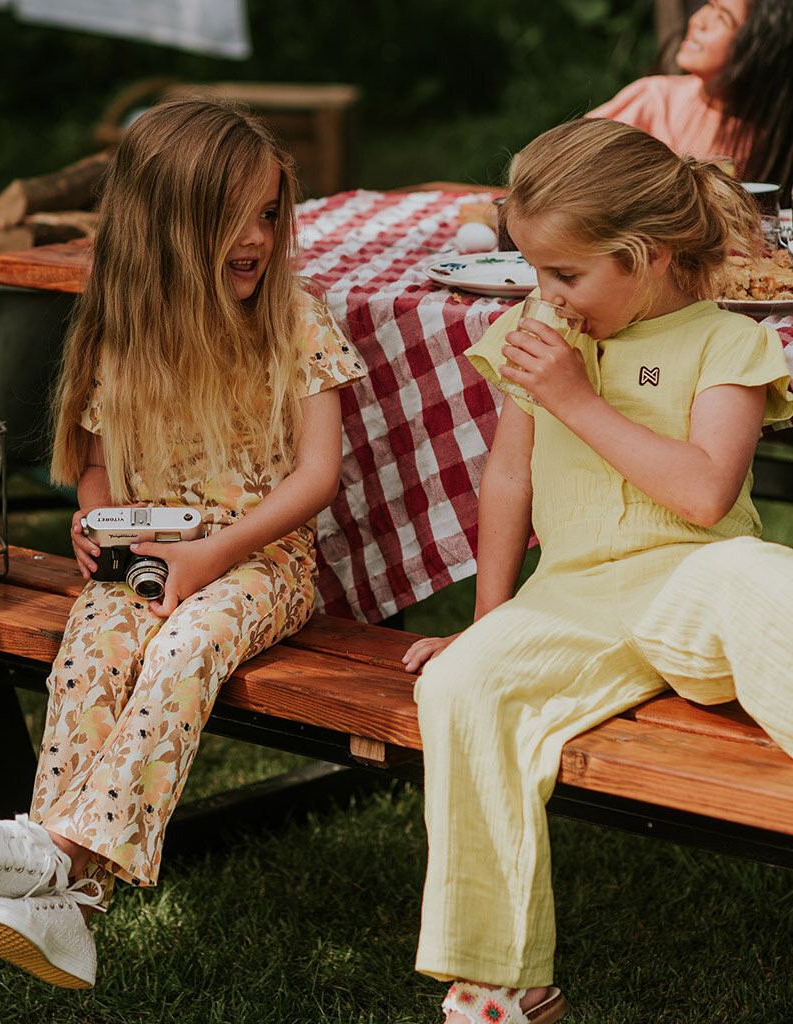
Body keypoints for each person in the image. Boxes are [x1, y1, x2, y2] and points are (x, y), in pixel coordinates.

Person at [0, 97, 364, 989]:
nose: (256, 236)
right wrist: (96, 522)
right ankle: (72, 908)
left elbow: (316, 478)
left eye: (269, 213)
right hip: (153, 545)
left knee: (186, 643)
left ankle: (51, 852)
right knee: (95, 642)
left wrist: (212, 557)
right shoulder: (123, 328)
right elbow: (94, 467)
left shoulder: (296, 318)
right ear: (166, 225)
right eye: (231, 216)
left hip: (263, 561)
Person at [402, 117, 793, 1024]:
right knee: (461, 686)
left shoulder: (725, 345)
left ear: (647, 257)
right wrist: (488, 615)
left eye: (565, 274)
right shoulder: (534, 339)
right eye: (535, 271)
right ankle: (503, 984)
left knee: (761, 578)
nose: (545, 294)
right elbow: (506, 476)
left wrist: (574, 396)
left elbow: (703, 496)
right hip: (573, 598)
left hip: (691, 578)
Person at [587, 0, 793, 195]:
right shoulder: (655, 99)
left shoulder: (773, 135)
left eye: (722, 18)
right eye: (709, 5)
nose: (697, 20)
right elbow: (575, 165)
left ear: (760, 48)